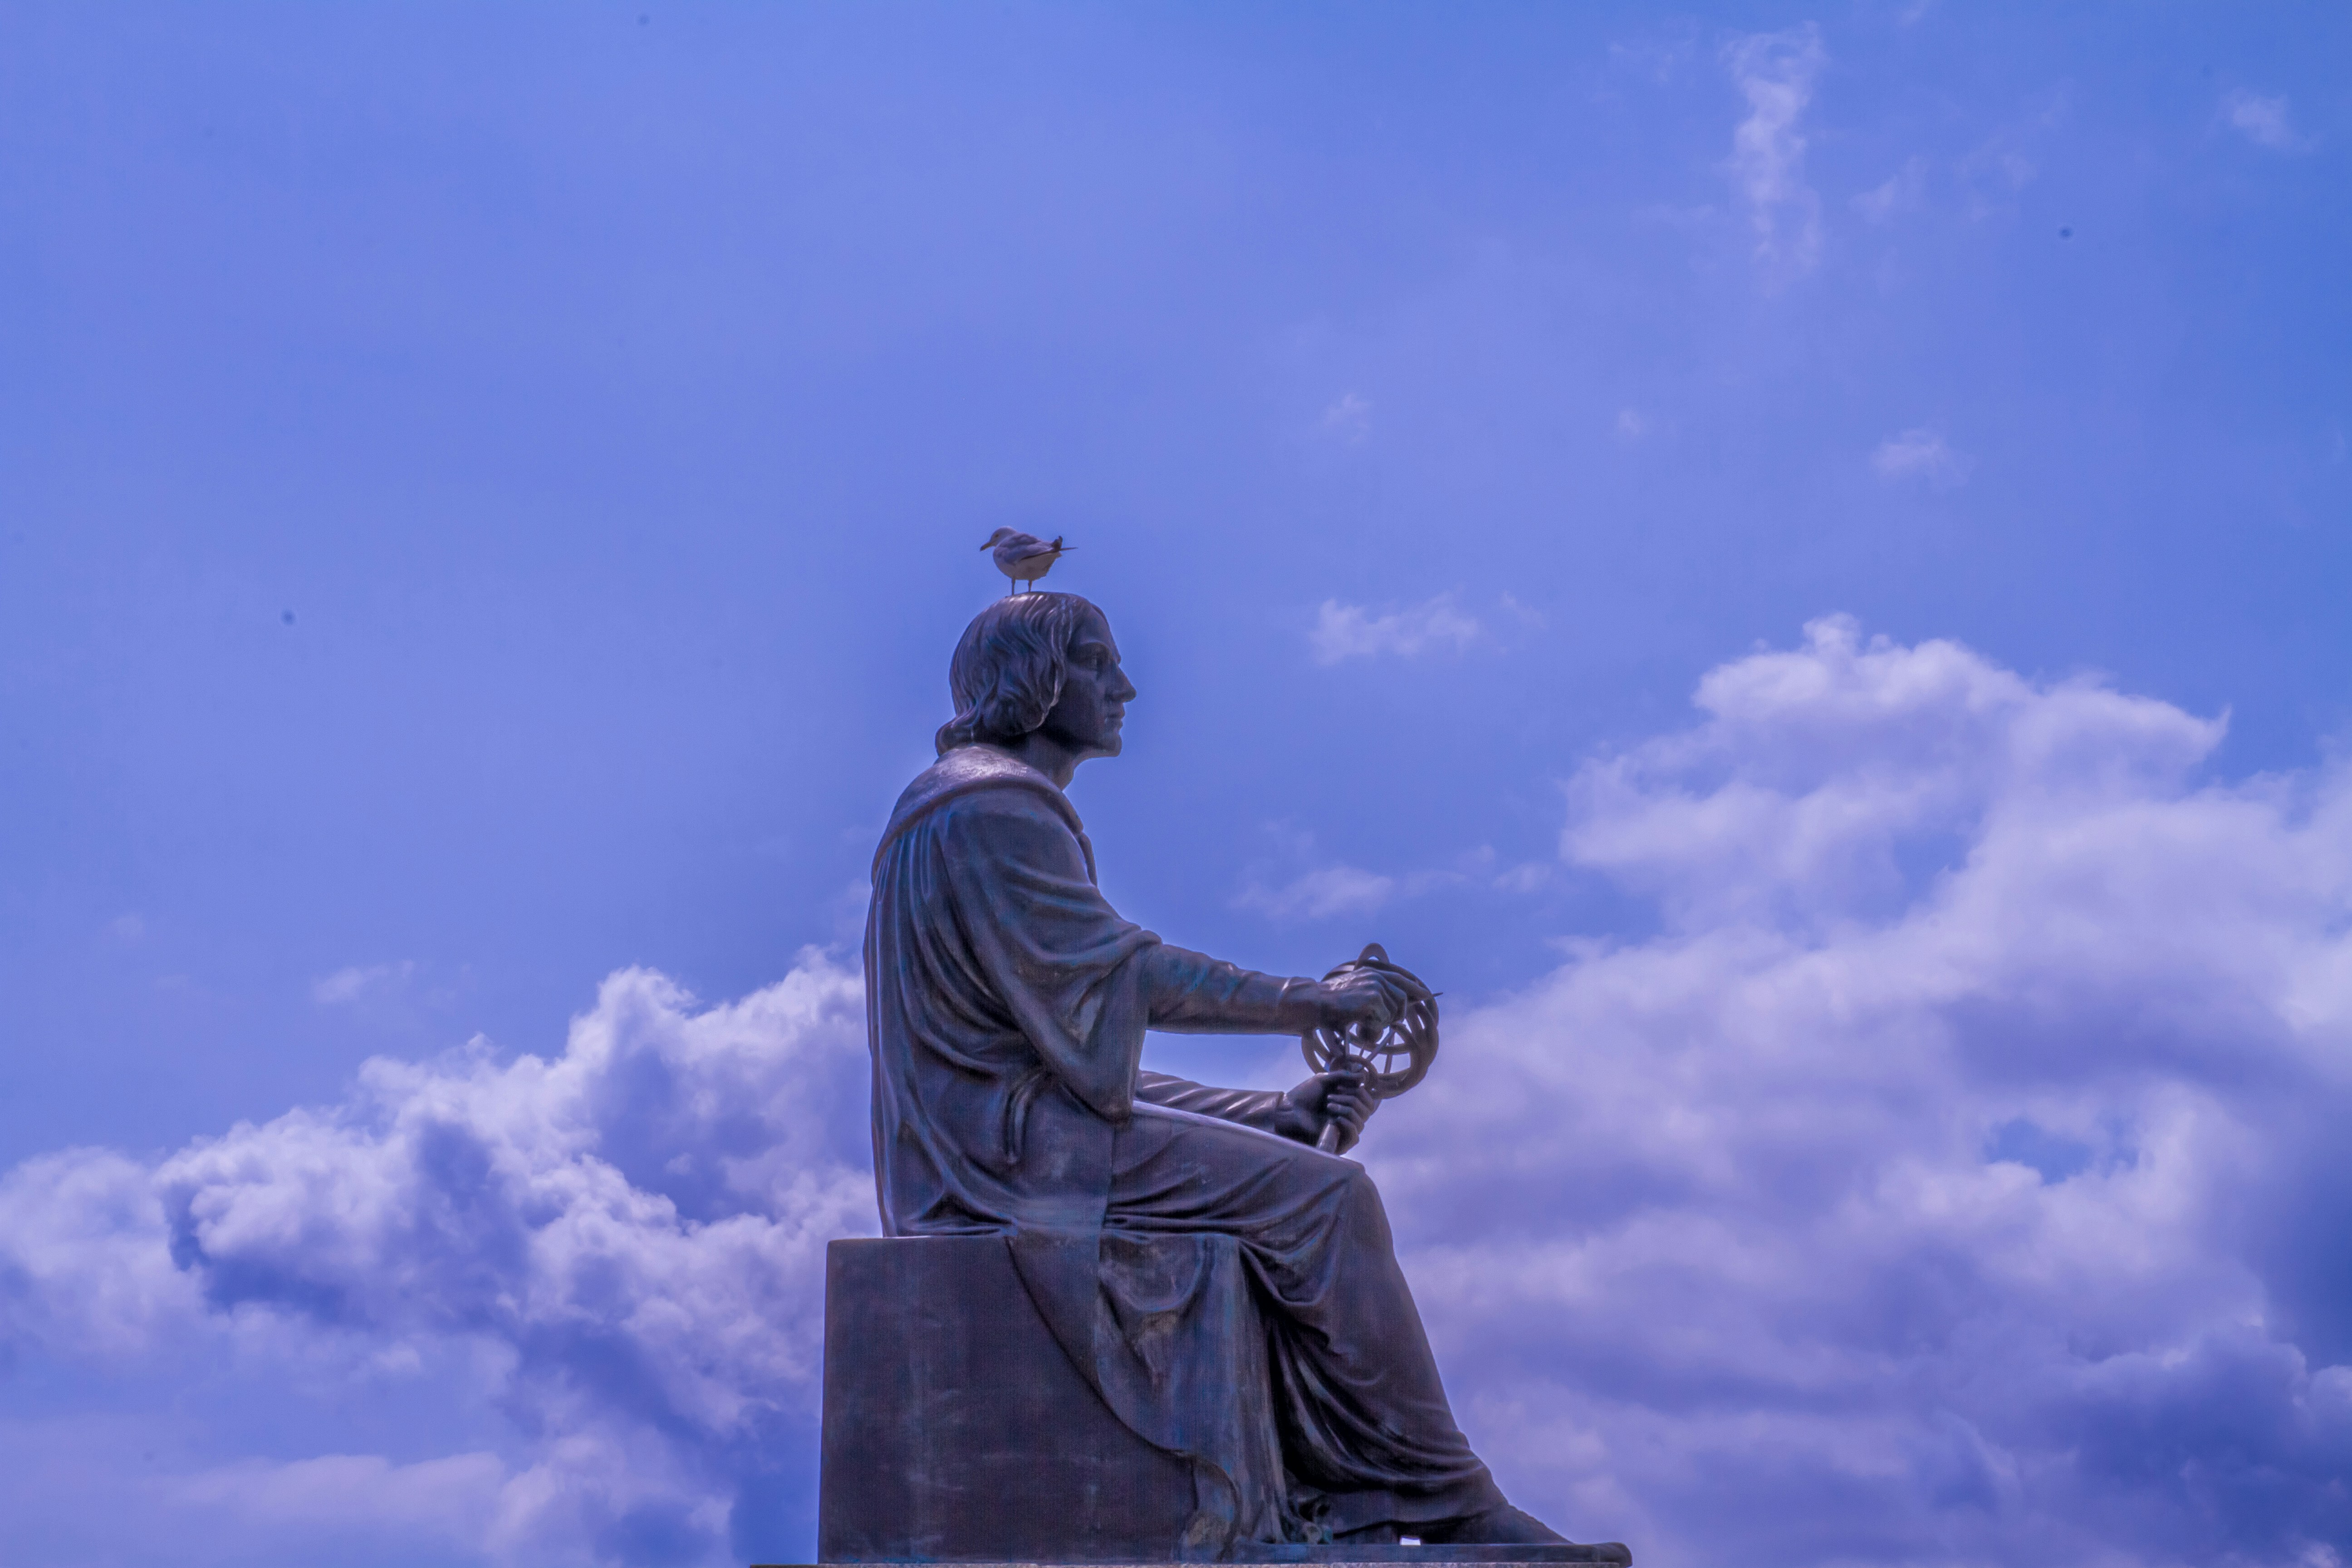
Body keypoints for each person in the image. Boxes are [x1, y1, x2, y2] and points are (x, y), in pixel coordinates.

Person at [865, 591, 1614, 1556]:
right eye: (1098, 662)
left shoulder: (966, 803)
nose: (1124, 686)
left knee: (1302, 1179)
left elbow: (1063, 1065)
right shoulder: (993, 808)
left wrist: (1266, 1113)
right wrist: (1316, 1001)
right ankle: (1444, 1496)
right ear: (1038, 681)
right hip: (1000, 1165)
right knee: (1328, 1204)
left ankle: (1380, 1492)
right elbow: (1129, 975)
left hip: (1004, 1134)